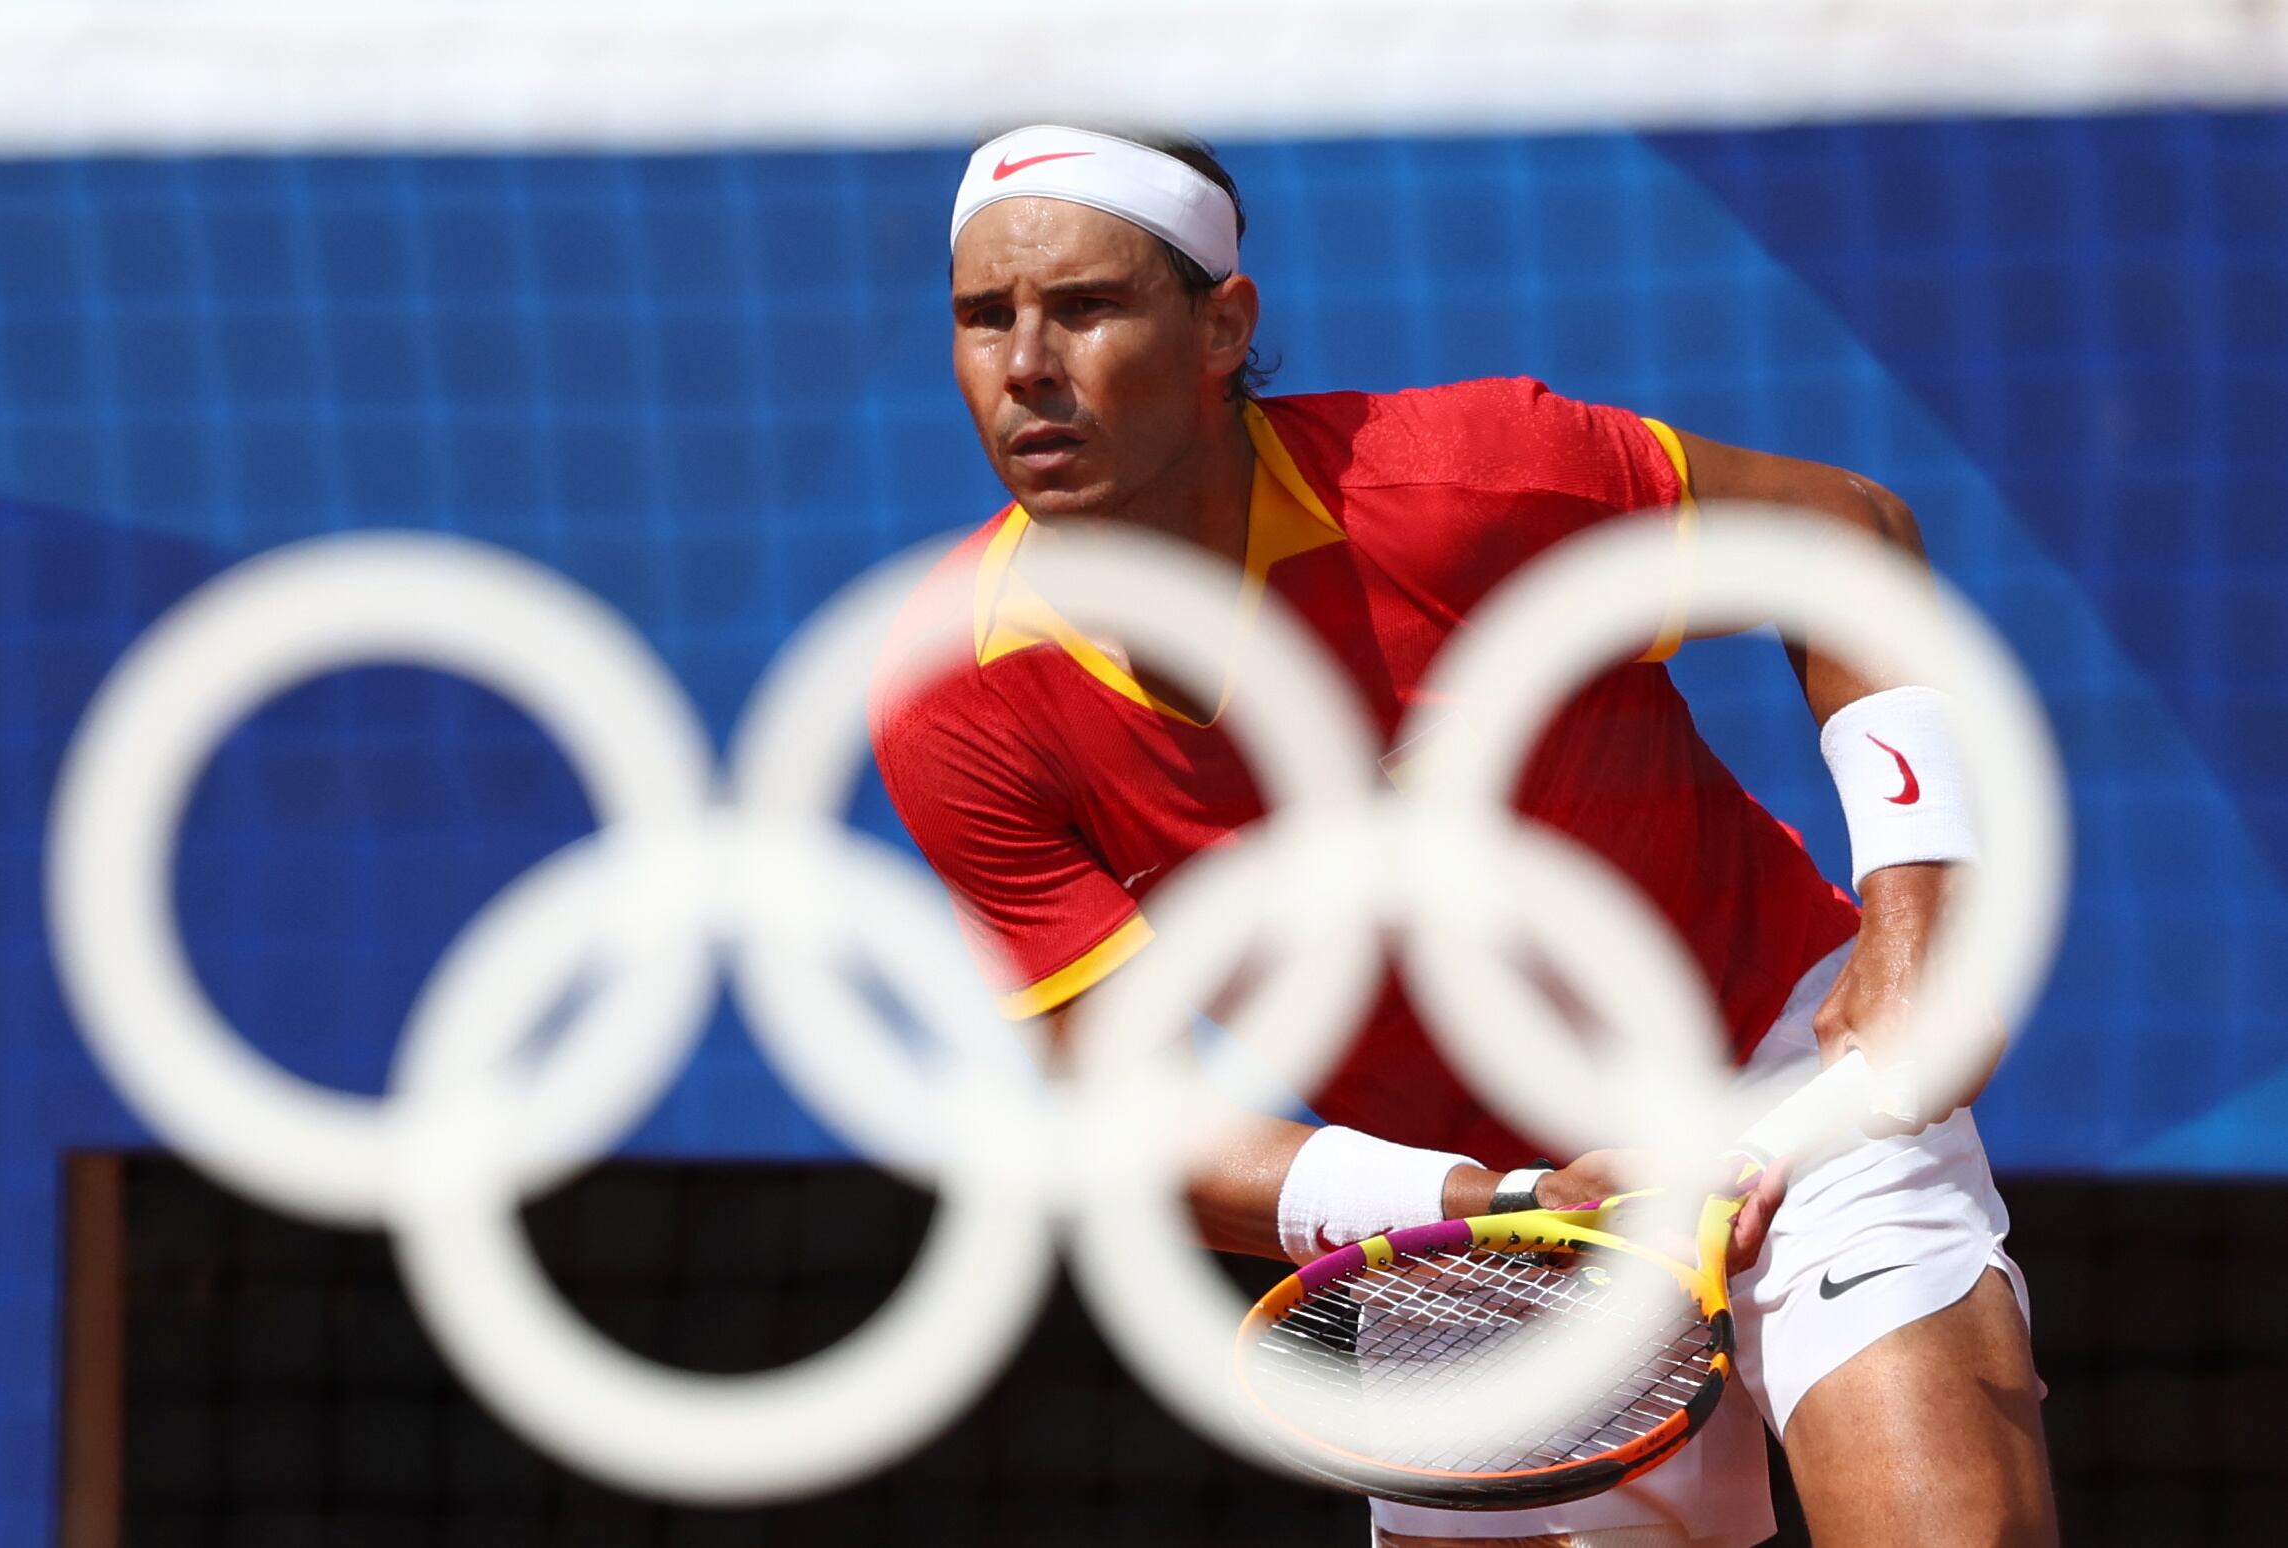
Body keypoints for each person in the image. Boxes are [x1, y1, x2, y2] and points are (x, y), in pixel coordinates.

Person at [870, 123, 2056, 1547]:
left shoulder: (1462, 483)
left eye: (1087, 306)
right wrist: (1494, 1206)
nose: (1025, 366)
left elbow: (1846, 536)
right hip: (1491, 1236)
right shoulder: (957, 697)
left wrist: (1919, 923)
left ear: (1221, 326)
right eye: (984, 317)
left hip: (1783, 1083)